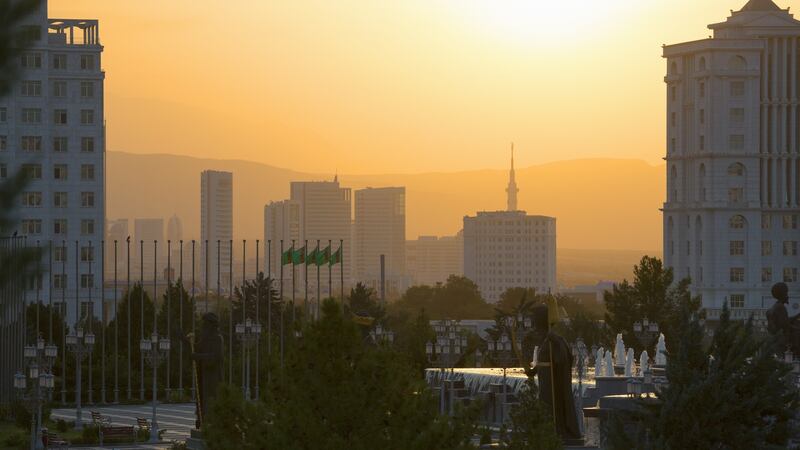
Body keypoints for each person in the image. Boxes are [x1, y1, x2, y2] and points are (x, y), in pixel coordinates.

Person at [528, 304, 581, 441]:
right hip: (544, 380)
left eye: (534, 319)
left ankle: (557, 430)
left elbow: (562, 359)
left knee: (551, 406)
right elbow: (544, 361)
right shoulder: (545, 339)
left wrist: (555, 342)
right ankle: (545, 430)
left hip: (553, 383)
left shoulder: (555, 339)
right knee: (544, 405)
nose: (533, 324)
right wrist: (533, 371)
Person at [192, 313, 224, 429]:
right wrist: (185, 340)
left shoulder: (217, 338)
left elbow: (216, 356)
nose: (203, 326)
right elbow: (196, 348)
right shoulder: (205, 338)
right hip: (204, 374)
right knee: (202, 396)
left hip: (213, 376)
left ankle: (212, 421)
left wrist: (198, 356)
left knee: (211, 397)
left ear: (211, 325)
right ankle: (202, 418)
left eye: (205, 323)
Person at [765, 282, 800, 354]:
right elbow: (785, 325)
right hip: (782, 340)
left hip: (776, 338)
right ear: (783, 294)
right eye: (786, 293)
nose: (788, 296)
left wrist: (798, 315)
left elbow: (785, 321)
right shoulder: (780, 307)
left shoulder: (775, 307)